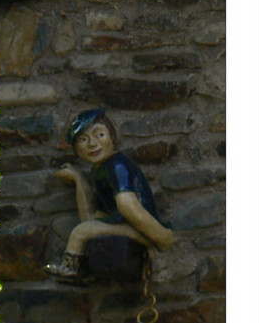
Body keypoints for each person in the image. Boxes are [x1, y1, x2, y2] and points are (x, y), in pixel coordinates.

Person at [45, 109, 174, 281]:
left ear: (112, 136)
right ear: (76, 149)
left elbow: (128, 206)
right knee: (84, 229)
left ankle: (72, 267)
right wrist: (79, 180)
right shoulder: (100, 169)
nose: (92, 143)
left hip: (137, 224)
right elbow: (90, 219)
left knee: (80, 232)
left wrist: (160, 236)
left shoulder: (117, 166)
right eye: (83, 139)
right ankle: (145, 242)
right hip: (125, 224)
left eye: (99, 134)